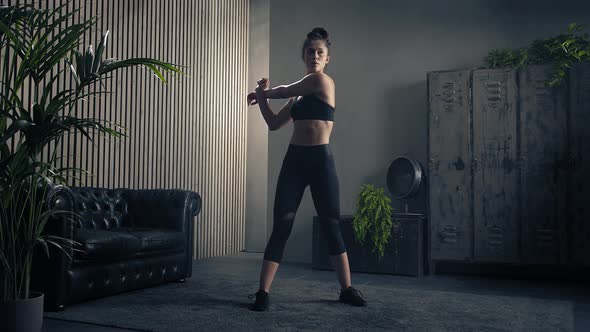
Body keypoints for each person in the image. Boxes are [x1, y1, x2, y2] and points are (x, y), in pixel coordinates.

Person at [246, 27, 367, 311]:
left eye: (320, 52)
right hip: (295, 162)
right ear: (304, 55)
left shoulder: (323, 83)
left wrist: (263, 92)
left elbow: (286, 88)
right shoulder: (296, 98)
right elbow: (274, 124)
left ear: (327, 58)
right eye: (310, 51)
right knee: (282, 225)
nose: (315, 55)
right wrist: (262, 99)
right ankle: (263, 292)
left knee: (331, 225)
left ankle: (346, 289)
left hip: (320, 162)